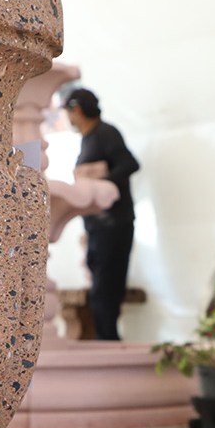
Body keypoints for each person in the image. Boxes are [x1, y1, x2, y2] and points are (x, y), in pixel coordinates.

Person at [64, 87, 140, 341]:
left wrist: (102, 184)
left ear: (76, 110)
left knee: (106, 290)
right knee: (100, 288)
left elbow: (129, 164)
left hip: (113, 224)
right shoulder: (89, 138)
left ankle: (108, 343)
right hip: (97, 226)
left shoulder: (105, 133)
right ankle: (106, 340)